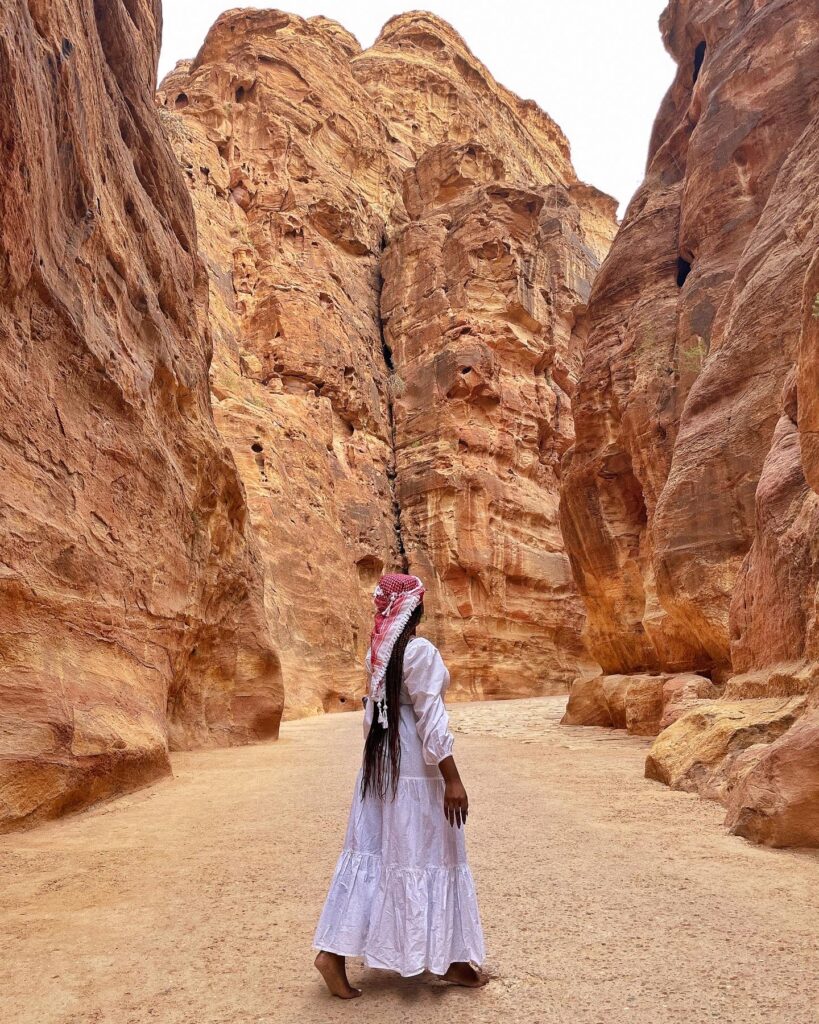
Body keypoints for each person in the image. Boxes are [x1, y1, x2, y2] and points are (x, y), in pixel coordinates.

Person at [313, 572, 486, 998]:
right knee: (428, 852)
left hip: (384, 767)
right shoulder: (419, 650)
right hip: (414, 770)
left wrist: (376, 763)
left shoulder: (380, 651)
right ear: (415, 608)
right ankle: (452, 960)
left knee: (374, 852)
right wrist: (453, 778)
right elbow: (431, 716)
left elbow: (373, 717)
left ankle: (333, 954)